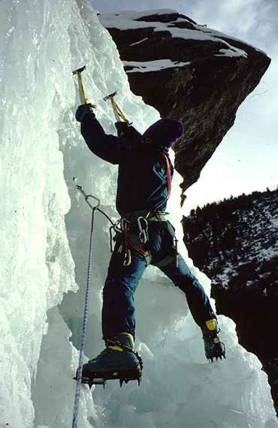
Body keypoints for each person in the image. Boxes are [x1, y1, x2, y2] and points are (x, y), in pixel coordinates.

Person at [75, 104, 225, 384]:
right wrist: (128, 131)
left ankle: (119, 348)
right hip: (162, 237)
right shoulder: (163, 159)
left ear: (150, 137)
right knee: (188, 282)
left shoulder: (136, 153)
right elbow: (139, 147)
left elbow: (100, 144)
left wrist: (87, 117)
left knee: (120, 284)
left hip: (139, 234)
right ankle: (211, 330)